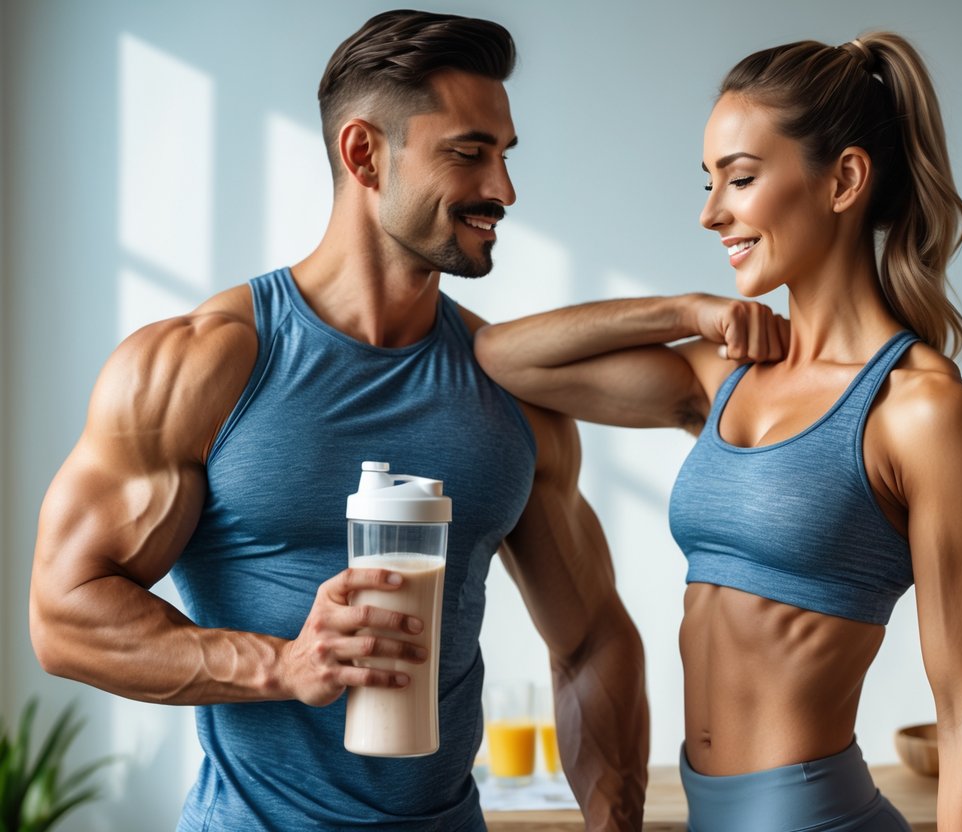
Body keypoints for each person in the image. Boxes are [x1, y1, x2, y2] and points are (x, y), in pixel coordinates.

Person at [29, 10, 648, 831]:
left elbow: (593, 637)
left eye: (503, 156)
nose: (502, 190)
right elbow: (65, 615)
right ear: (364, 153)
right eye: (469, 153)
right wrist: (282, 665)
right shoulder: (204, 364)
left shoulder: (511, 386)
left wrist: (617, 823)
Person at [475, 32, 962, 832]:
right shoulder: (720, 375)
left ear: (844, 180)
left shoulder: (924, 413)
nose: (710, 212)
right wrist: (684, 311)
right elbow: (504, 357)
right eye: (708, 183)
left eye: (740, 179)